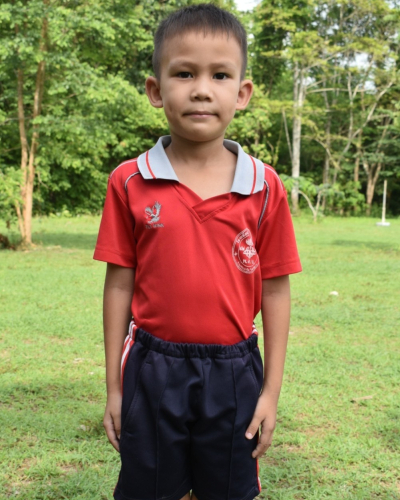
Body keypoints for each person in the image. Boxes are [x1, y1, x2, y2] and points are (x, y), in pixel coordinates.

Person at [93, 4, 302, 500]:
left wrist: (270, 392)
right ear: (155, 89)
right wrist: (115, 389)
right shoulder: (129, 181)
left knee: (227, 489)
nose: (202, 89)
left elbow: (275, 290)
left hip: (235, 371)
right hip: (152, 366)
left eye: (220, 75)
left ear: (242, 93)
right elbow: (119, 285)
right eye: (184, 73)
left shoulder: (265, 186)